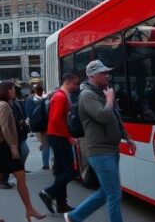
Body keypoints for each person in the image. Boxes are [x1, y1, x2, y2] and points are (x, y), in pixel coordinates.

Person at [64, 60, 135, 222]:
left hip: (109, 149)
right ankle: (75, 217)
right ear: (93, 75)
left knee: (107, 191)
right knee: (114, 193)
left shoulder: (100, 91)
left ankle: (75, 217)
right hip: (99, 151)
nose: (107, 76)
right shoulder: (87, 95)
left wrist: (126, 136)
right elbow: (103, 116)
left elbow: (115, 117)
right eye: (104, 73)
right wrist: (110, 99)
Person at [0, 80, 45, 222]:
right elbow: (5, 128)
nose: (14, 90)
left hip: (4, 147)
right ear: (7, 90)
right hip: (4, 147)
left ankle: (28, 209)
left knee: (12, 177)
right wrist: (13, 146)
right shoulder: (3, 105)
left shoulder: (7, 104)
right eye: (12, 88)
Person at [39, 73, 80, 215]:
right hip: (59, 137)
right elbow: (56, 119)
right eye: (75, 83)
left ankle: (61, 204)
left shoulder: (59, 96)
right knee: (71, 171)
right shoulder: (61, 97)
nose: (77, 86)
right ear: (67, 82)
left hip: (56, 136)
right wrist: (69, 137)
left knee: (61, 171)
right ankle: (48, 193)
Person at [25, 84, 51, 170]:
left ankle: (46, 164)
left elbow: (28, 113)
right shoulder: (46, 100)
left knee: (45, 144)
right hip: (47, 125)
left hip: (37, 125)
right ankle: (48, 163)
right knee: (47, 144)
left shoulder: (29, 100)